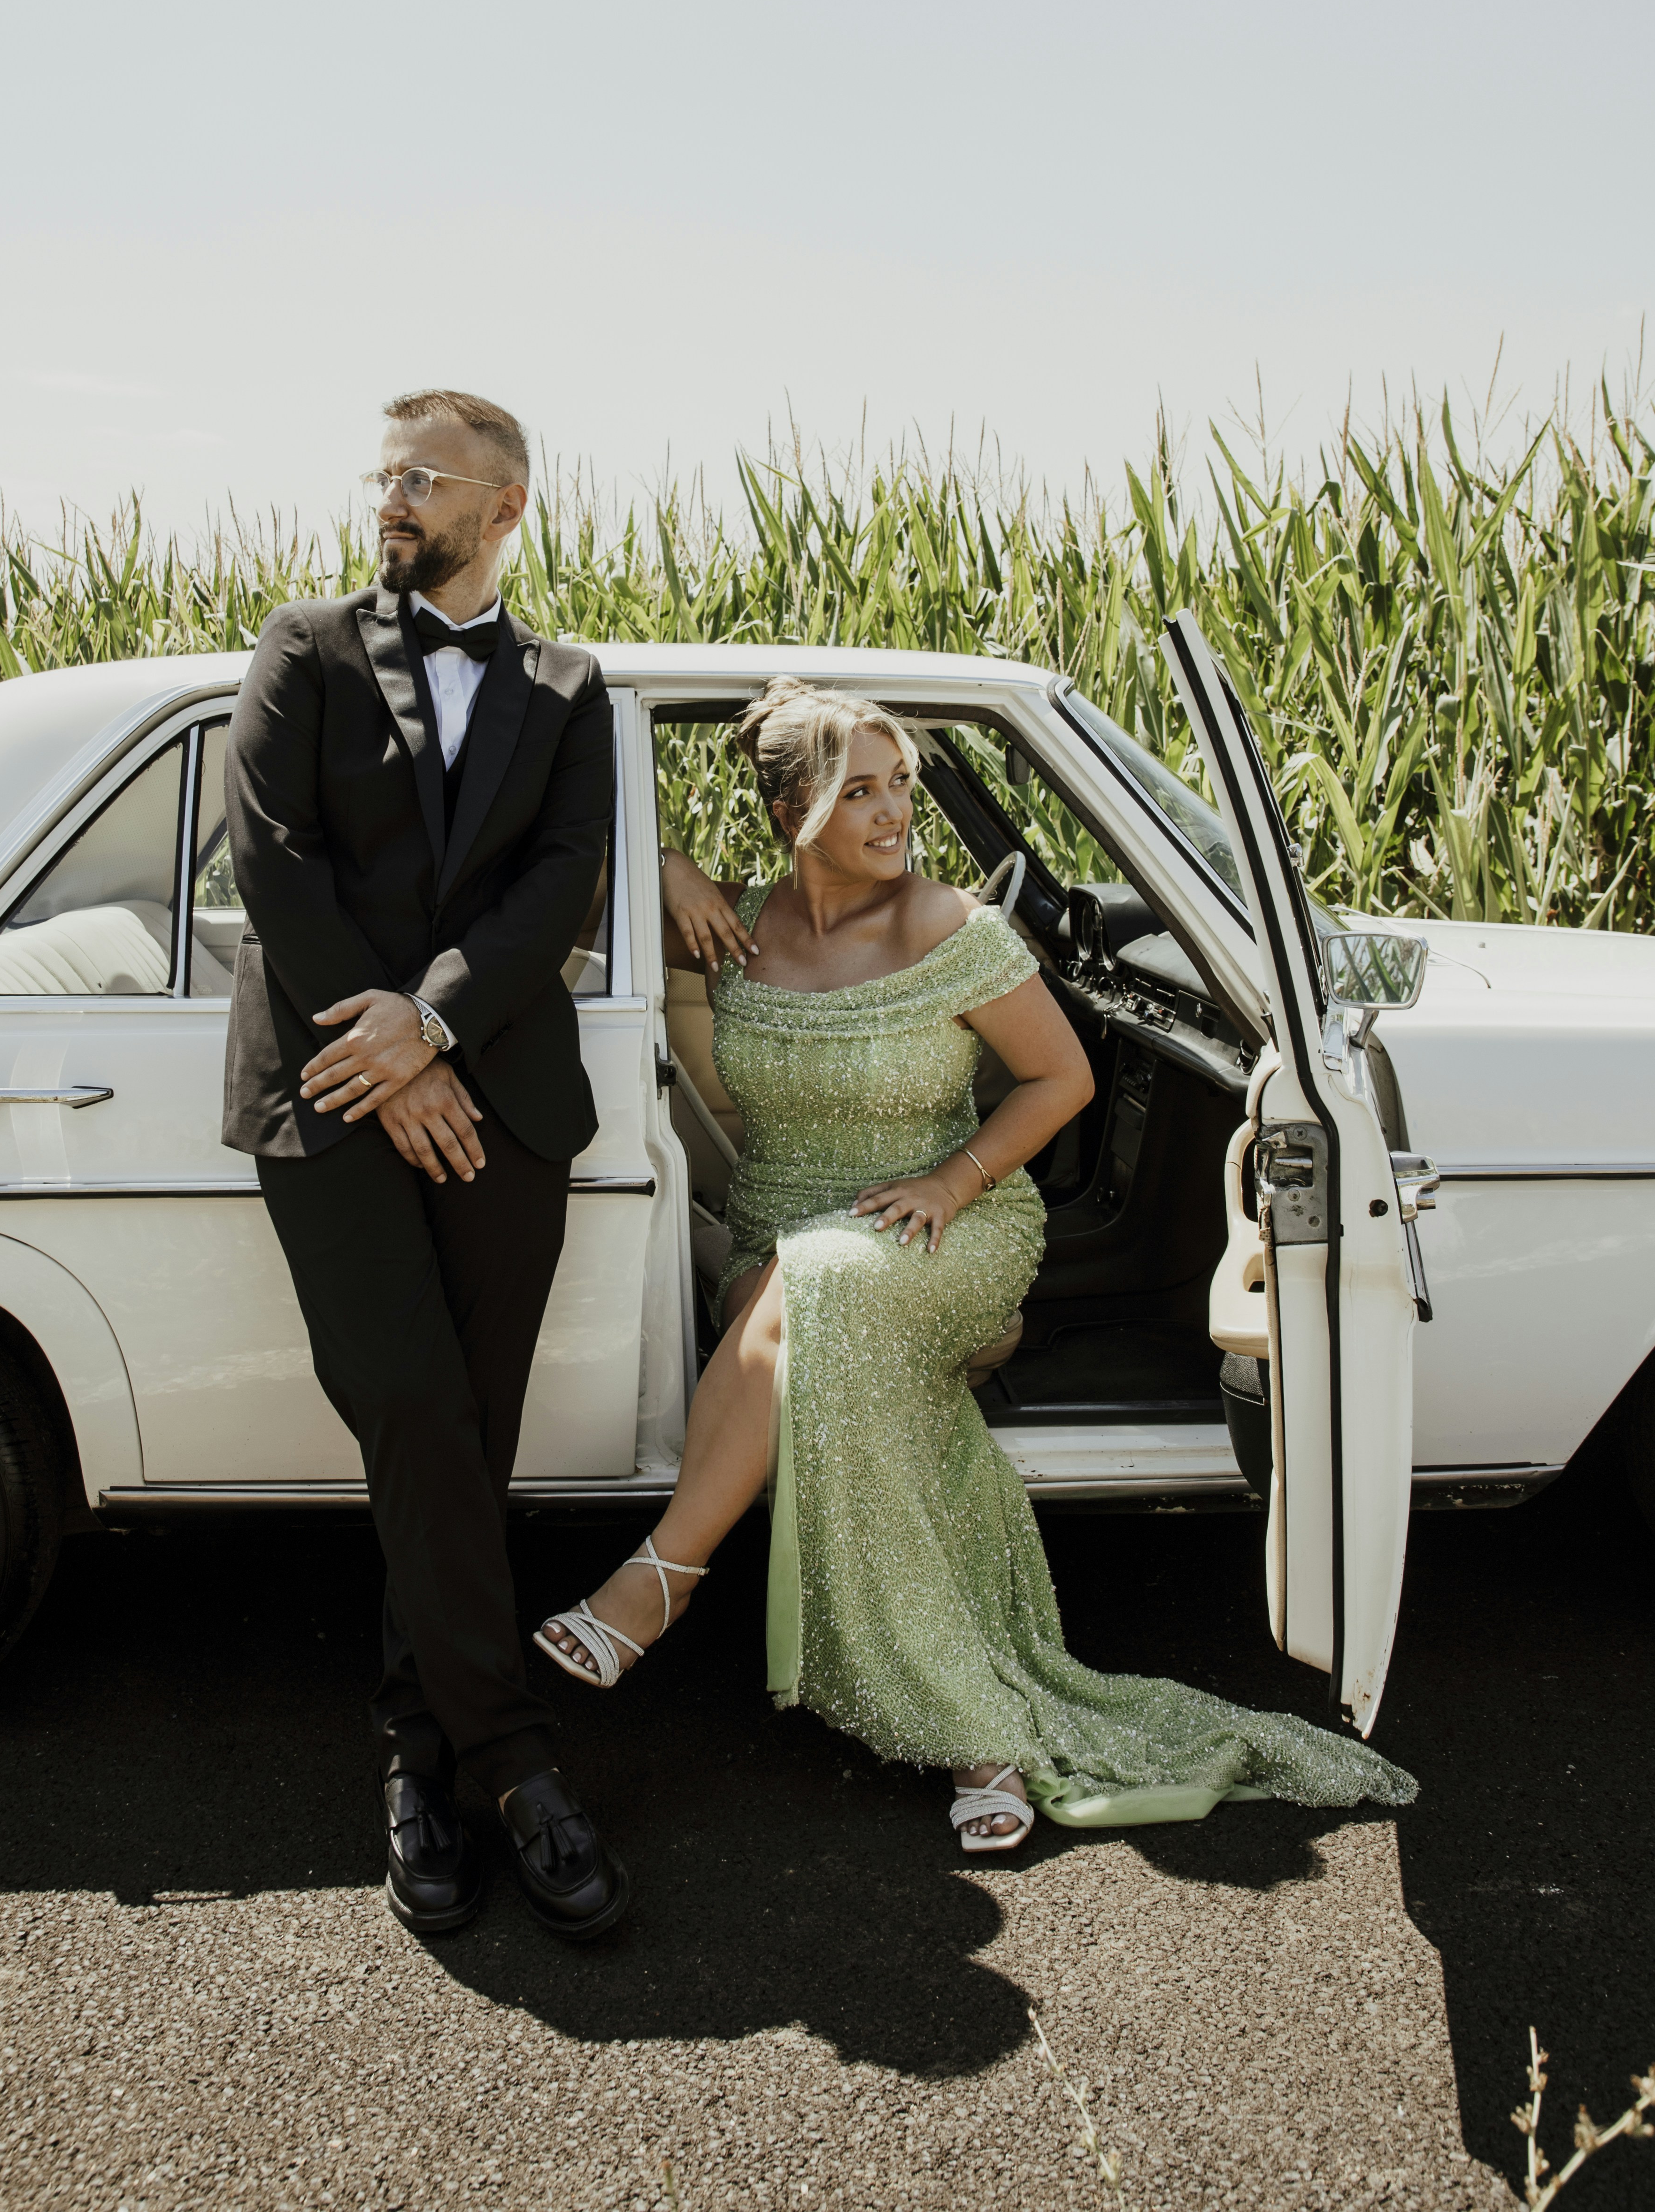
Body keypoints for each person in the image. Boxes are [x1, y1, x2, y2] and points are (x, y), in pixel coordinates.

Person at [536, 677, 1416, 1850]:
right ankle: (977, 1724)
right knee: (827, 1337)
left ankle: (663, 1579)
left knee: (823, 1299)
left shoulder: (952, 928)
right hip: (783, 1228)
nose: (893, 812)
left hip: (952, 1221)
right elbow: (542, 869)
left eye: (899, 784)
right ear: (791, 810)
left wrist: (953, 1181)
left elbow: (1065, 1079)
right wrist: (664, 867)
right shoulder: (733, 926)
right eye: (858, 791)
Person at [223, 388, 629, 1941]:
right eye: (384, 473)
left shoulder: (571, 685)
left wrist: (439, 1024)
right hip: (330, 1093)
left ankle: (416, 1750)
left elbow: (560, 882)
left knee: (468, 1433)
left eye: (424, 477)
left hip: (500, 1095)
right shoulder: (305, 647)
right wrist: (391, 1048)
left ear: (504, 505)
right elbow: (274, 860)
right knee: (407, 1404)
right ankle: (511, 1759)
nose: (391, 497)